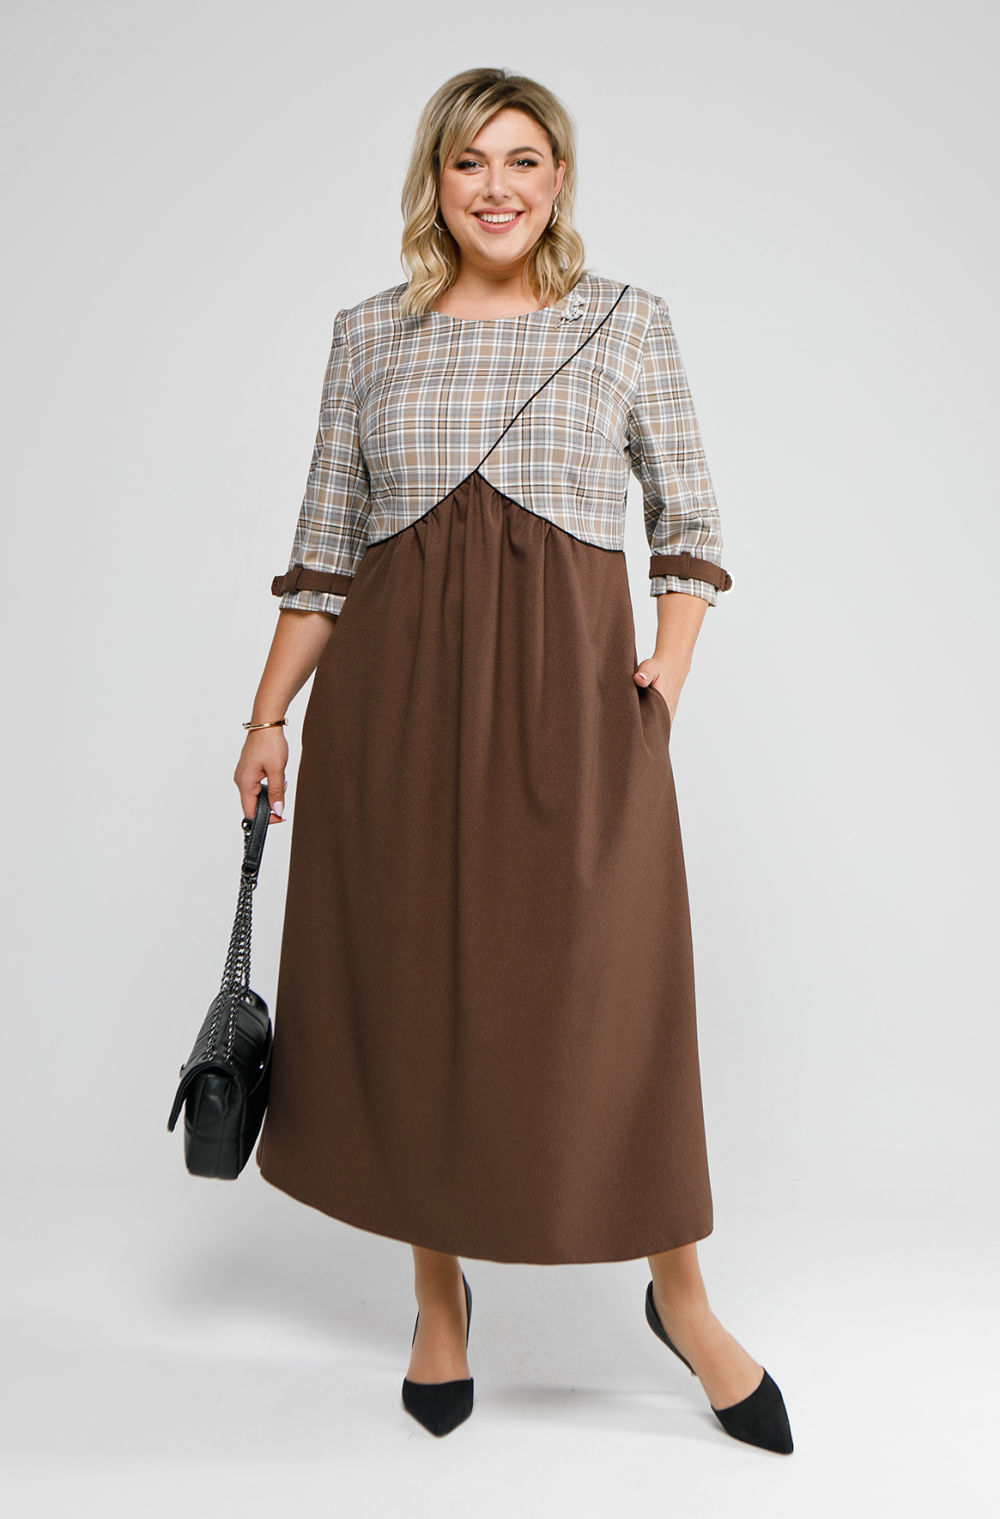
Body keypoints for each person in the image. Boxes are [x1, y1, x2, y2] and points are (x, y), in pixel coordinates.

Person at [233, 66, 793, 1454]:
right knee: (420, 993)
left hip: (569, 710)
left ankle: (683, 1302)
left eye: (524, 160)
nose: (497, 186)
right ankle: (439, 1300)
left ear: (559, 179)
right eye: (470, 161)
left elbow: (690, 514)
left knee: (610, 998)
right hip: (396, 713)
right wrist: (267, 719)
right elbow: (324, 549)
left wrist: (666, 673)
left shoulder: (625, 320)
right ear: (435, 180)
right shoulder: (369, 335)